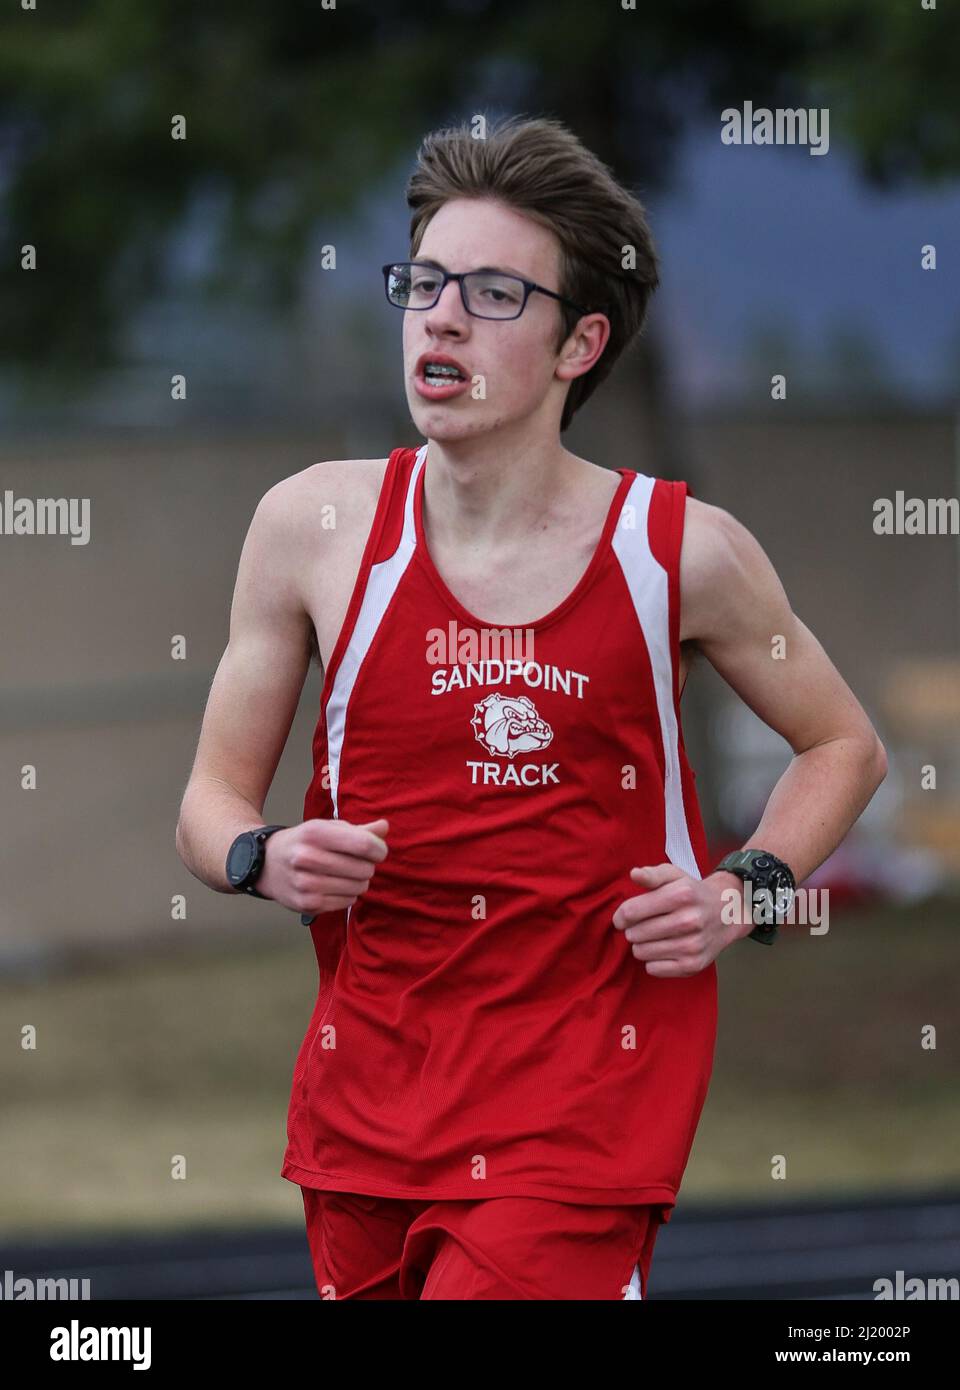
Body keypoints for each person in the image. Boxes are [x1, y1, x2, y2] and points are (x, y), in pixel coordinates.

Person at [175, 114, 887, 1300]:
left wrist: (745, 890)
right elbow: (207, 803)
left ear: (579, 341)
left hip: (582, 1108)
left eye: (496, 293)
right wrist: (262, 855)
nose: (442, 317)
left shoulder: (683, 553)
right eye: (427, 283)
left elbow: (843, 745)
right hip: (371, 1098)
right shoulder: (313, 527)